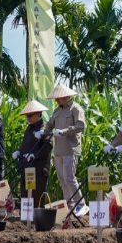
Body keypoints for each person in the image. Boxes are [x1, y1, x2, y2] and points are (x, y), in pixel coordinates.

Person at [44, 84, 88, 217]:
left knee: (70, 178)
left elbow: (81, 126)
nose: (56, 101)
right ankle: (70, 205)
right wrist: (43, 133)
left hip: (70, 148)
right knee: (62, 179)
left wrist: (64, 131)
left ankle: (81, 204)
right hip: (58, 150)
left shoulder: (76, 109)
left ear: (66, 96)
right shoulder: (57, 111)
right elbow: (50, 124)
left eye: (58, 98)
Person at [12, 99, 52, 207]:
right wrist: (19, 152)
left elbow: (48, 146)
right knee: (25, 191)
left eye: (29, 116)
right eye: (27, 116)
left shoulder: (44, 128)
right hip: (27, 166)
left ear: (38, 114)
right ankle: (26, 217)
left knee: (37, 193)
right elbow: (25, 145)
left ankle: (37, 217)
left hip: (39, 168)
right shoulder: (29, 129)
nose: (28, 119)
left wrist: (35, 155)